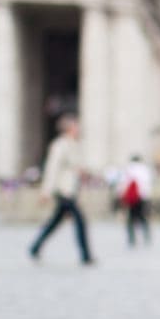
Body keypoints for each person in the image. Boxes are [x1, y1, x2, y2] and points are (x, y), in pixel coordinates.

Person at [29, 113, 94, 265]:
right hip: (64, 191)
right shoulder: (59, 145)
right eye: (76, 126)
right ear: (70, 128)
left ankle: (35, 247)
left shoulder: (75, 144)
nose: (79, 129)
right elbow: (52, 168)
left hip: (71, 189)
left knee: (55, 222)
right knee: (80, 221)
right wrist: (46, 191)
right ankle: (85, 255)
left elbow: (77, 166)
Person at [119, 153, 154, 248]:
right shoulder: (145, 169)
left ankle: (132, 238)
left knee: (131, 217)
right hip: (142, 197)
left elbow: (123, 184)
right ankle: (146, 235)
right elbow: (148, 184)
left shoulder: (128, 169)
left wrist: (122, 197)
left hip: (131, 198)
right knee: (142, 216)